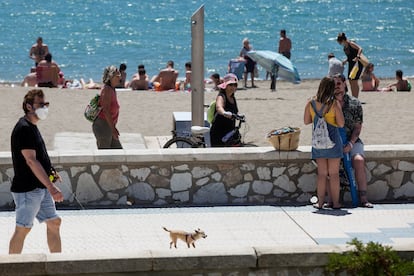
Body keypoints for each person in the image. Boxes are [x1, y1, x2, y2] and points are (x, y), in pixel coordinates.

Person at [9, 89, 64, 254]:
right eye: (40, 104)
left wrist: (51, 172)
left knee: (54, 223)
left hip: (40, 187)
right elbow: (31, 161)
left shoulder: (32, 126)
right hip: (28, 190)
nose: (44, 108)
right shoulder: (23, 128)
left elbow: (39, 156)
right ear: (28, 106)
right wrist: (51, 187)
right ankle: (11, 267)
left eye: (45, 104)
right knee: (23, 229)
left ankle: (57, 264)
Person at [303, 77, 344, 209]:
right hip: (333, 141)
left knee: (321, 174)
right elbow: (341, 123)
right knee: (334, 174)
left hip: (319, 142)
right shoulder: (334, 104)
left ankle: (320, 203)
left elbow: (306, 121)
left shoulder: (311, 102)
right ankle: (336, 203)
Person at [333, 74, 373, 208]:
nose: (336, 87)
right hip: (334, 142)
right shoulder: (328, 103)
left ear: (344, 84)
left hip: (353, 140)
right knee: (331, 165)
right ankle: (332, 198)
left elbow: (358, 127)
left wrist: (350, 144)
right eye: (333, 85)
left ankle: (363, 198)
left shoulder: (355, 103)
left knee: (359, 161)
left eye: (338, 84)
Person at [92, 65, 123, 149]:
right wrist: (113, 129)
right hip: (103, 126)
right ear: (111, 77)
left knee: (118, 153)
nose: (119, 78)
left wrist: (113, 128)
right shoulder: (107, 90)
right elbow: (106, 111)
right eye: (117, 76)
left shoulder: (112, 89)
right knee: (105, 156)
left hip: (109, 126)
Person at [210, 73, 239, 147]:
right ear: (225, 86)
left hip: (229, 130)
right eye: (230, 85)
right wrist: (224, 113)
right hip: (219, 131)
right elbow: (219, 107)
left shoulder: (232, 98)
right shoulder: (221, 96)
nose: (233, 87)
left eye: (235, 85)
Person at [337, 32, 364, 98]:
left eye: (340, 42)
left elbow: (360, 48)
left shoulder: (350, 43)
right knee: (350, 80)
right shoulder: (345, 47)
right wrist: (345, 61)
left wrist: (357, 56)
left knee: (354, 80)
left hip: (357, 64)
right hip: (351, 64)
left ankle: (356, 97)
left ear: (343, 40)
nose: (340, 44)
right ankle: (353, 96)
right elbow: (350, 56)